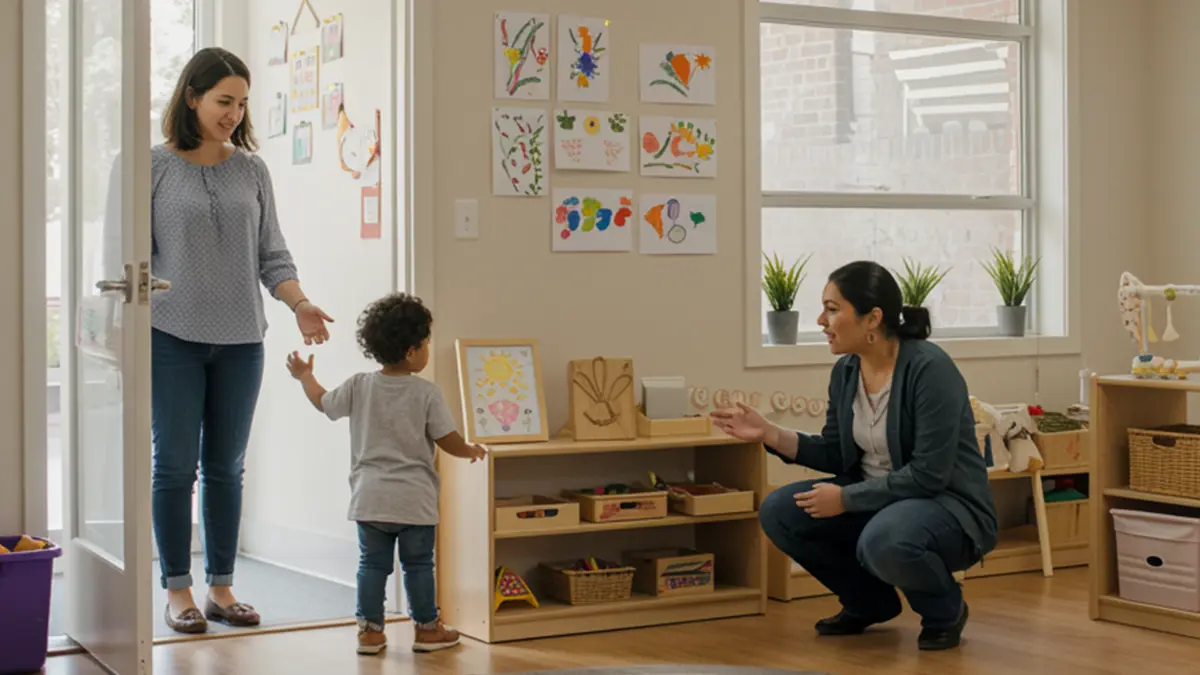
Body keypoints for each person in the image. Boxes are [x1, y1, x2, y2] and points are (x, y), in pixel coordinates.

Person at [711, 261, 997, 651]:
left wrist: (846, 499)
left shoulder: (931, 370)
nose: (820, 320)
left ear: (872, 319)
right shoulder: (846, 371)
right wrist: (770, 433)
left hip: (944, 505)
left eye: (832, 309)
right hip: (879, 500)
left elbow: (929, 475)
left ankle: (944, 611)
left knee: (885, 539)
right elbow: (836, 451)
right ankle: (869, 603)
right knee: (781, 511)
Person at [150, 47, 334, 634]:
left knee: (226, 468)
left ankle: (221, 589)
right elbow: (132, 257)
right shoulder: (154, 166)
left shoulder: (252, 170)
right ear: (192, 97)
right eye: (223, 101)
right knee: (176, 467)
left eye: (241, 103)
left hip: (240, 340)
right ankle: (177, 590)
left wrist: (300, 303)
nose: (233, 113)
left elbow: (272, 253)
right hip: (170, 336)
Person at [285, 292, 488, 655]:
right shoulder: (426, 393)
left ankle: (370, 633)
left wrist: (305, 377)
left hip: (370, 498)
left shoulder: (359, 385)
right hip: (415, 502)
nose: (427, 350)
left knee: (372, 566)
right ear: (412, 350)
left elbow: (324, 403)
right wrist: (470, 449)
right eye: (425, 343)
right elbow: (448, 440)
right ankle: (427, 629)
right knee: (419, 566)